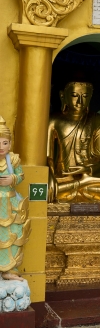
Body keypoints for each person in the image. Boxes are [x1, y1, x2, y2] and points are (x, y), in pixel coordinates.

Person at [0, 116, 31, 281]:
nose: (1, 147)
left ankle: (9, 270)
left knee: (12, 234)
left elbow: (21, 175)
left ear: (10, 144)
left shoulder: (13, 159)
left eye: (5, 143)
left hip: (11, 204)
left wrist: (13, 179)